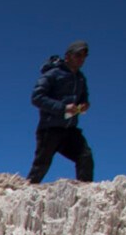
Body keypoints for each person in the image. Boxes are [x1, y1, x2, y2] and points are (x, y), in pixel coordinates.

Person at [26, 40, 93, 184]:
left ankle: (85, 195)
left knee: (85, 156)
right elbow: (37, 98)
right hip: (50, 128)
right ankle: (26, 196)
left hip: (70, 129)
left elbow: (84, 97)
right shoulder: (53, 74)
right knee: (41, 166)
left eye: (84, 56)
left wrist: (84, 105)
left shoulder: (80, 78)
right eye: (78, 55)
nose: (81, 59)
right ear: (68, 56)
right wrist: (63, 108)